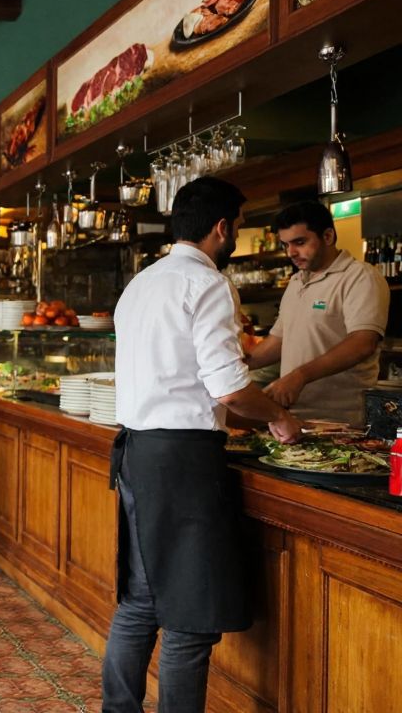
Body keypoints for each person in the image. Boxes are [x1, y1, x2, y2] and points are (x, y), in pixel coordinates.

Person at [106, 177, 303, 713]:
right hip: (183, 462)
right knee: (189, 620)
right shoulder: (208, 283)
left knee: (140, 602)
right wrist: (279, 417)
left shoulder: (141, 283)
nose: (235, 235)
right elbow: (230, 387)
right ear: (222, 228)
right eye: (237, 226)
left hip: (137, 452)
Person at [244, 202, 389, 426]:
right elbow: (278, 340)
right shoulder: (296, 282)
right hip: (293, 419)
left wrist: (299, 376)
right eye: (285, 244)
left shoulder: (360, 277)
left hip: (341, 421)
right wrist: (234, 364)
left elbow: (363, 343)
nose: (291, 252)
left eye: (300, 242)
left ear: (328, 236)